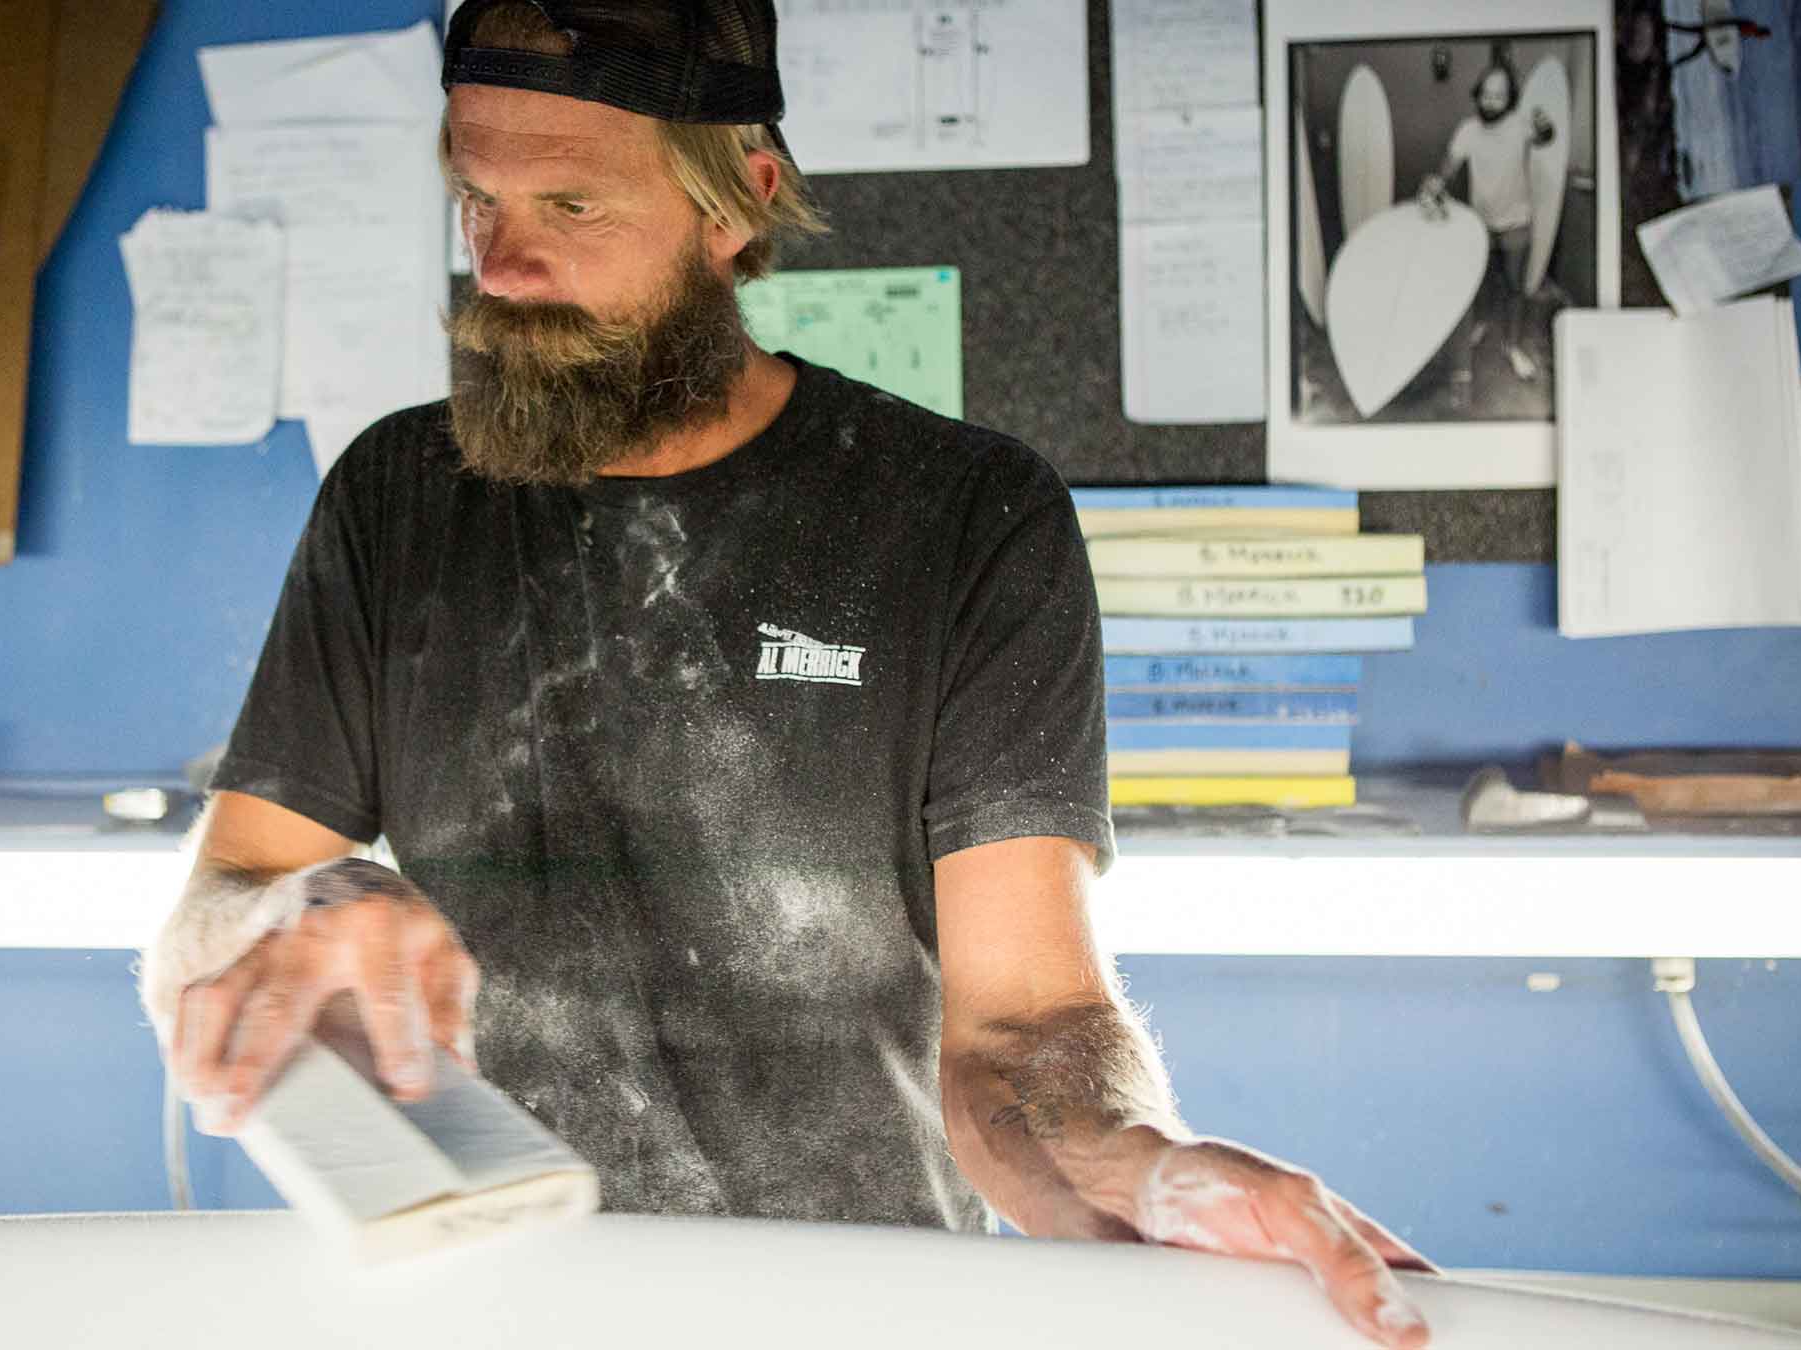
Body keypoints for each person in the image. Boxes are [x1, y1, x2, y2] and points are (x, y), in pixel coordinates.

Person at [141, 3, 1432, 1345]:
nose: (505, 270)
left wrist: (1133, 1159)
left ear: (737, 203)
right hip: (486, 1301)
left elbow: (1025, 1024)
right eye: (478, 202)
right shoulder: (397, 499)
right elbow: (209, 918)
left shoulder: (962, 518)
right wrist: (289, 912)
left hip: (864, 1308)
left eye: (574, 206)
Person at [1418, 56, 1558, 394]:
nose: (1491, 101)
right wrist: (1435, 183)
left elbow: (1545, 137)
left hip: (1516, 221)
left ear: (1509, 99)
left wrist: (1545, 125)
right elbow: (1448, 167)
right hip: (1479, 223)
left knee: (1514, 288)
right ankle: (1479, 326)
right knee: (1476, 284)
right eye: (1486, 94)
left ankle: (1513, 346)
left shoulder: (1520, 124)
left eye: (1500, 95)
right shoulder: (1467, 130)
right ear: (1478, 94)